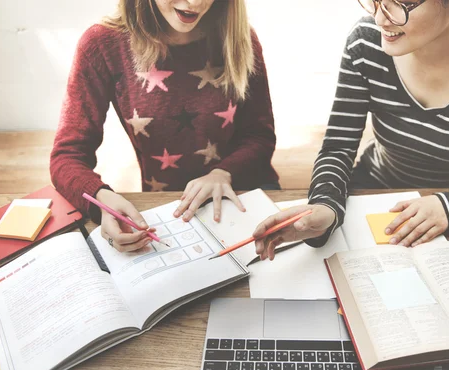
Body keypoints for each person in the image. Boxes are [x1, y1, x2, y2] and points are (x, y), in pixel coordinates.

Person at [254, 0, 449, 260]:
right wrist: (325, 205)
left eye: (402, 3)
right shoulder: (366, 43)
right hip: (374, 194)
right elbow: (338, 147)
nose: (381, 17)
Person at [50, 0, 278, 253]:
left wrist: (222, 173)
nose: (196, 3)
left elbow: (260, 136)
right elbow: (66, 157)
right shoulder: (102, 44)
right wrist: (102, 200)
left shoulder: (239, 37)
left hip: (245, 190)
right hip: (169, 205)